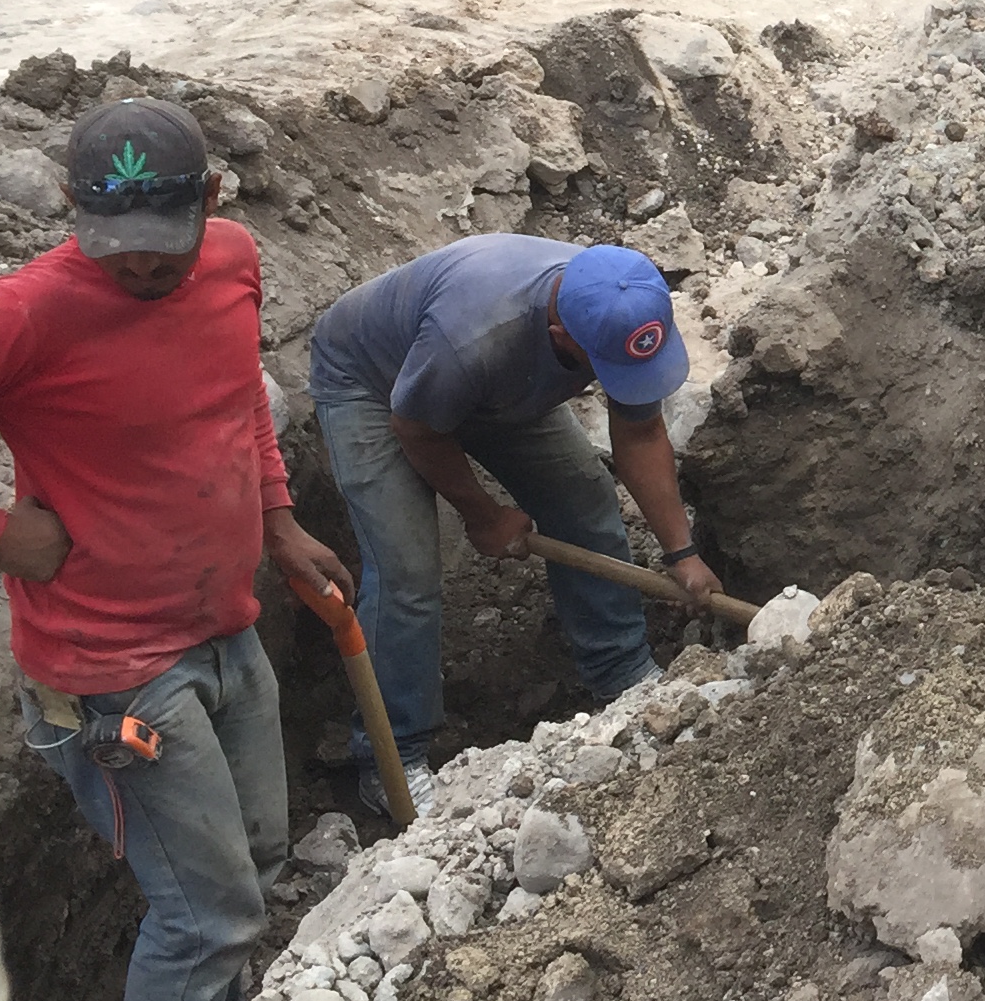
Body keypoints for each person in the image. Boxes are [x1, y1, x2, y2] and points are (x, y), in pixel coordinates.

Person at [0, 98, 358, 1001]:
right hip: (109, 669)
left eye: (166, 250)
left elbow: (231, 407)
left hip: (222, 629)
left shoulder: (234, 263)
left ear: (210, 204)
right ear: (71, 210)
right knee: (206, 910)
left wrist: (277, 519)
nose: (145, 274)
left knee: (251, 873)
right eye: (117, 251)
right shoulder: (20, 314)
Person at [308, 236, 721, 811]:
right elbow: (419, 429)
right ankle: (392, 758)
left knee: (583, 498)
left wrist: (682, 552)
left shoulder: (615, 303)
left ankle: (620, 669)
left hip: (494, 388)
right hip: (374, 386)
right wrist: (483, 515)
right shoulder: (478, 336)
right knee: (406, 571)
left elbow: (642, 432)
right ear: (560, 338)